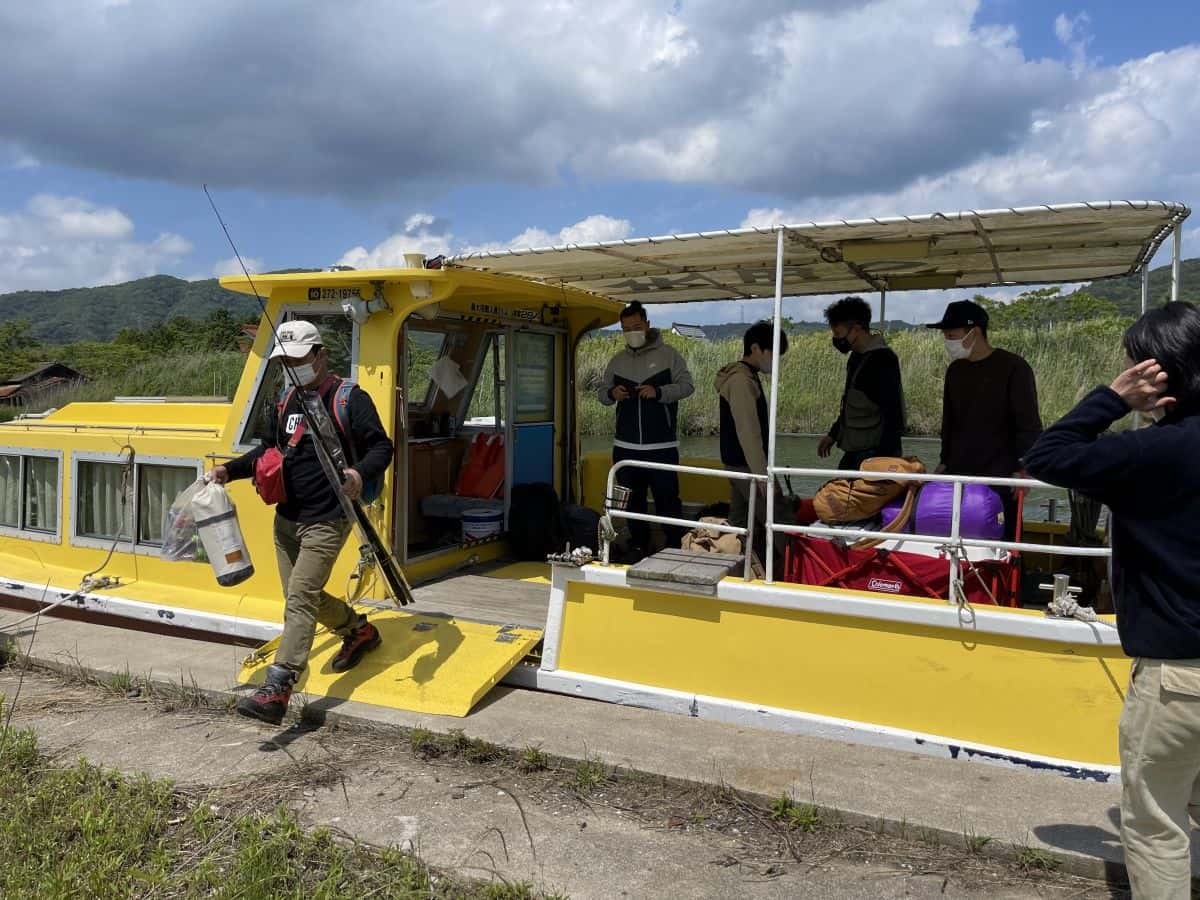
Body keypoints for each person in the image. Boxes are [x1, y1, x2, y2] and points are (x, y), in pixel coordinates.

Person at [1023, 302, 1200, 900]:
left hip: (1180, 675)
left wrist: (1115, 400)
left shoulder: (1149, 455)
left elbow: (1046, 455)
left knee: (1154, 823)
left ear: (1157, 374)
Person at [211, 320, 394, 725]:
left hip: (327, 519)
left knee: (299, 597)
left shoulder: (349, 398)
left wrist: (359, 474)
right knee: (300, 597)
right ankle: (358, 630)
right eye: (285, 362)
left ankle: (279, 687)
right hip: (287, 521)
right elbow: (269, 451)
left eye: (298, 359)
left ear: (319, 355)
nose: (293, 367)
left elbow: (382, 445)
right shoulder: (286, 398)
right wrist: (229, 471)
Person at [928, 299, 1041, 538]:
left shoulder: (1014, 367)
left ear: (974, 332)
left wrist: (1025, 469)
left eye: (951, 334)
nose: (948, 341)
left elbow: (1029, 425)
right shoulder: (955, 371)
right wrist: (943, 460)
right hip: (958, 473)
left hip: (1000, 475)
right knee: (955, 539)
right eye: (946, 335)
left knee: (1003, 541)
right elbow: (949, 421)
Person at [597, 301, 694, 557]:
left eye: (636, 327)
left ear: (647, 325)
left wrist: (659, 391)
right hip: (625, 447)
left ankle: (674, 545)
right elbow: (601, 395)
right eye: (626, 329)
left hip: (662, 447)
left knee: (667, 501)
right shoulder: (617, 361)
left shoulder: (669, 355)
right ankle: (639, 545)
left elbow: (687, 386)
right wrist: (611, 393)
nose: (632, 333)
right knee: (631, 503)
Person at [715, 321, 789, 541]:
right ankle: (791, 567)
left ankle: (734, 563)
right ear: (756, 349)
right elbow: (748, 431)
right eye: (773, 353)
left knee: (739, 523)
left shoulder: (746, 376)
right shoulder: (740, 380)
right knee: (778, 522)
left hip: (740, 463)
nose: (775, 361)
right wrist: (762, 474)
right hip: (746, 465)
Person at [818, 296, 905, 470]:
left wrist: (881, 463)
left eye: (838, 333)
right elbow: (850, 407)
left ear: (856, 329)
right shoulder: (855, 358)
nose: (836, 339)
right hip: (854, 452)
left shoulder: (883, 359)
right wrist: (833, 435)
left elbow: (893, 415)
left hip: (875, 454)